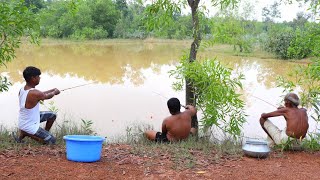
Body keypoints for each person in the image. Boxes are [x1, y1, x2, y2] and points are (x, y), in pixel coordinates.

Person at [13, 66, 60, 144]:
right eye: (38, 76)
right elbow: (46, 96)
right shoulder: (35, 93)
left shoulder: (23, 89)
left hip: (25, 120)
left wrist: (53, 89)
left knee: (53, 115)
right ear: (33, 78)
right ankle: (26, 133)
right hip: (28, 125)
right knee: (52, 141)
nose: (39, 78)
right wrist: (54, 92)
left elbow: (41, 94)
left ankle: (43, 133)